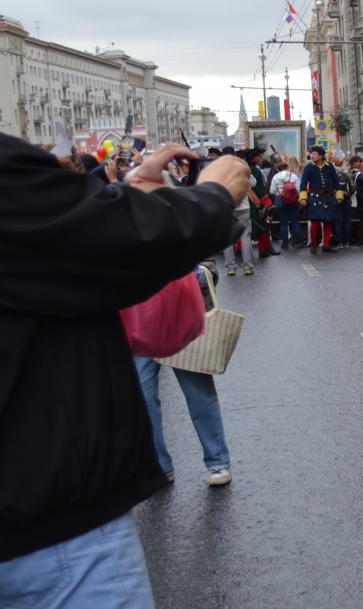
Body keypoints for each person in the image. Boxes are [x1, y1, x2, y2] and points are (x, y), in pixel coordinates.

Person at [0, 134, 249, 607]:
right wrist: (213, 195)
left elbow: (53, 232)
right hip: (43, 525)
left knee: (191, 391)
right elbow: (108, 239)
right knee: (159, 390)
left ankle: (214, 461)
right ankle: (177, 464)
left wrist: (131, 187)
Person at [134, 262, 232, 486]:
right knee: (143, 399)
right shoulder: (123, 227)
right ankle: (159, 466)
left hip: (180, 317)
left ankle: (217, 461)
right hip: (140, 324)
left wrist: (197, 270)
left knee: (199, 395)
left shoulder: (182, 225)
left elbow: (207, 260)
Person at [299, 146, 344, 254]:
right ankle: (313, 245)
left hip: (327, 197)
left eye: (314, 154)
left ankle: (326, 245)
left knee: (328, 222)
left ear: (321, 156)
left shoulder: (329, 167)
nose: (312, 156)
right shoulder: (309, 167)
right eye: (312, 154)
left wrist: (339, 196)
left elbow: (336, 182)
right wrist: (303, 198)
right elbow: (303, 184)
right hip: (314, 197)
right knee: (315, 222)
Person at [269, 160, 303, 249]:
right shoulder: (293, 176)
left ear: (278, 169)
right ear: (287, 167)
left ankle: (285, 243)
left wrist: (279, 190)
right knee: (295, 222)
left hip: (279, 200)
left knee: (283, 223)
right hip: (293, 200)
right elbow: (299, 190)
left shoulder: (276, 177)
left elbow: (272, 191)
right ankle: (299, 242)